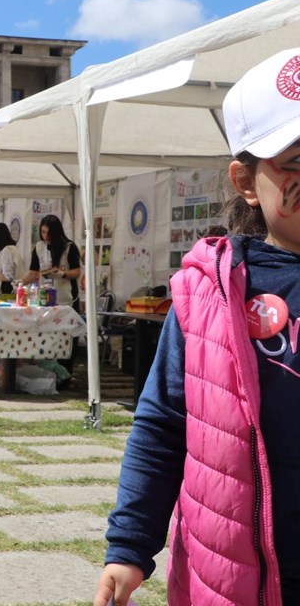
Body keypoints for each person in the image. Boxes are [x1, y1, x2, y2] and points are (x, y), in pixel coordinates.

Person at [95, 48, 300, 606]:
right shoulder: (209, 293)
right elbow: (162, 425)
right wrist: (129, 546)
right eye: (297, 161)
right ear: (247, 180)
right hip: (230, 574)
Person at [21, 214, 82, 309]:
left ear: (56, 232)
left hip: (66, 299)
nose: (46, 236)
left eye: (49, 233)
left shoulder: (69, 247)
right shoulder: (39, 247)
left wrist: (62, 274)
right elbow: (32, 273)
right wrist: (18, 283)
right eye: (43, 232)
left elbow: (77, 272)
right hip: (45, 299)